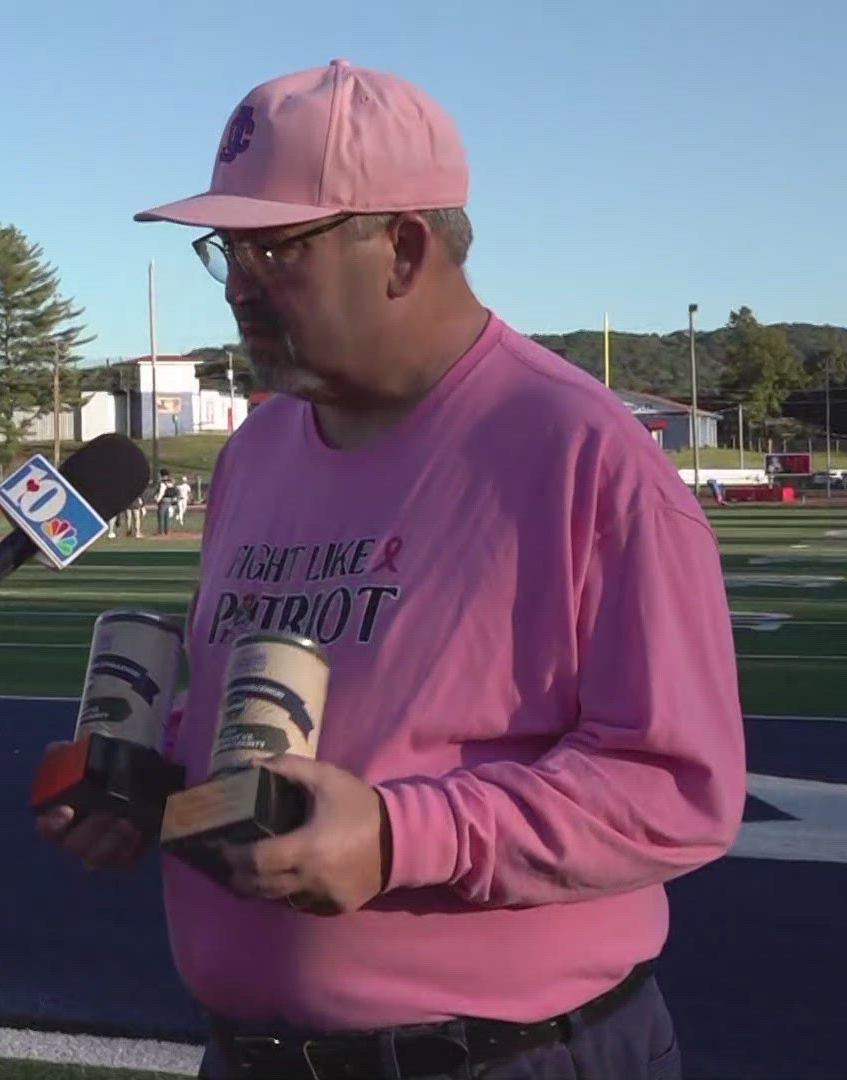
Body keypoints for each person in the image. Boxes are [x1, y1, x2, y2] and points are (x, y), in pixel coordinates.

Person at [38, 60, 742, 1080]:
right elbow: (265, 708)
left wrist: (400, 836)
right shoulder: (260, 448)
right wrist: (146, 780)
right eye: (224, 247)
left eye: (272, 247)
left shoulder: (579, 452)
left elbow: (679, 787)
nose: (237, 280)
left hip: (506, 1059)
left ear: (404, 246)